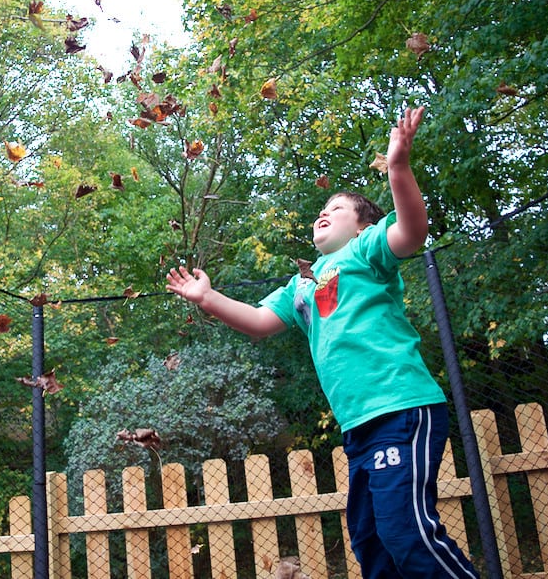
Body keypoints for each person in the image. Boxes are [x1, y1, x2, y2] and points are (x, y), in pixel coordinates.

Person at [166, 107, 478, 578]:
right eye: (321, 210)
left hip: (399, 409)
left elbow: (412, 232)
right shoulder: (302, 284)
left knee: (405, 532)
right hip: (358, 427)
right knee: (371, 544)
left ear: (360, 226)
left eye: (336, 209)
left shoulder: (366, 250)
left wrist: (398, 168)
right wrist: (208, 298)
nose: (323, 213)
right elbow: (257, 321)